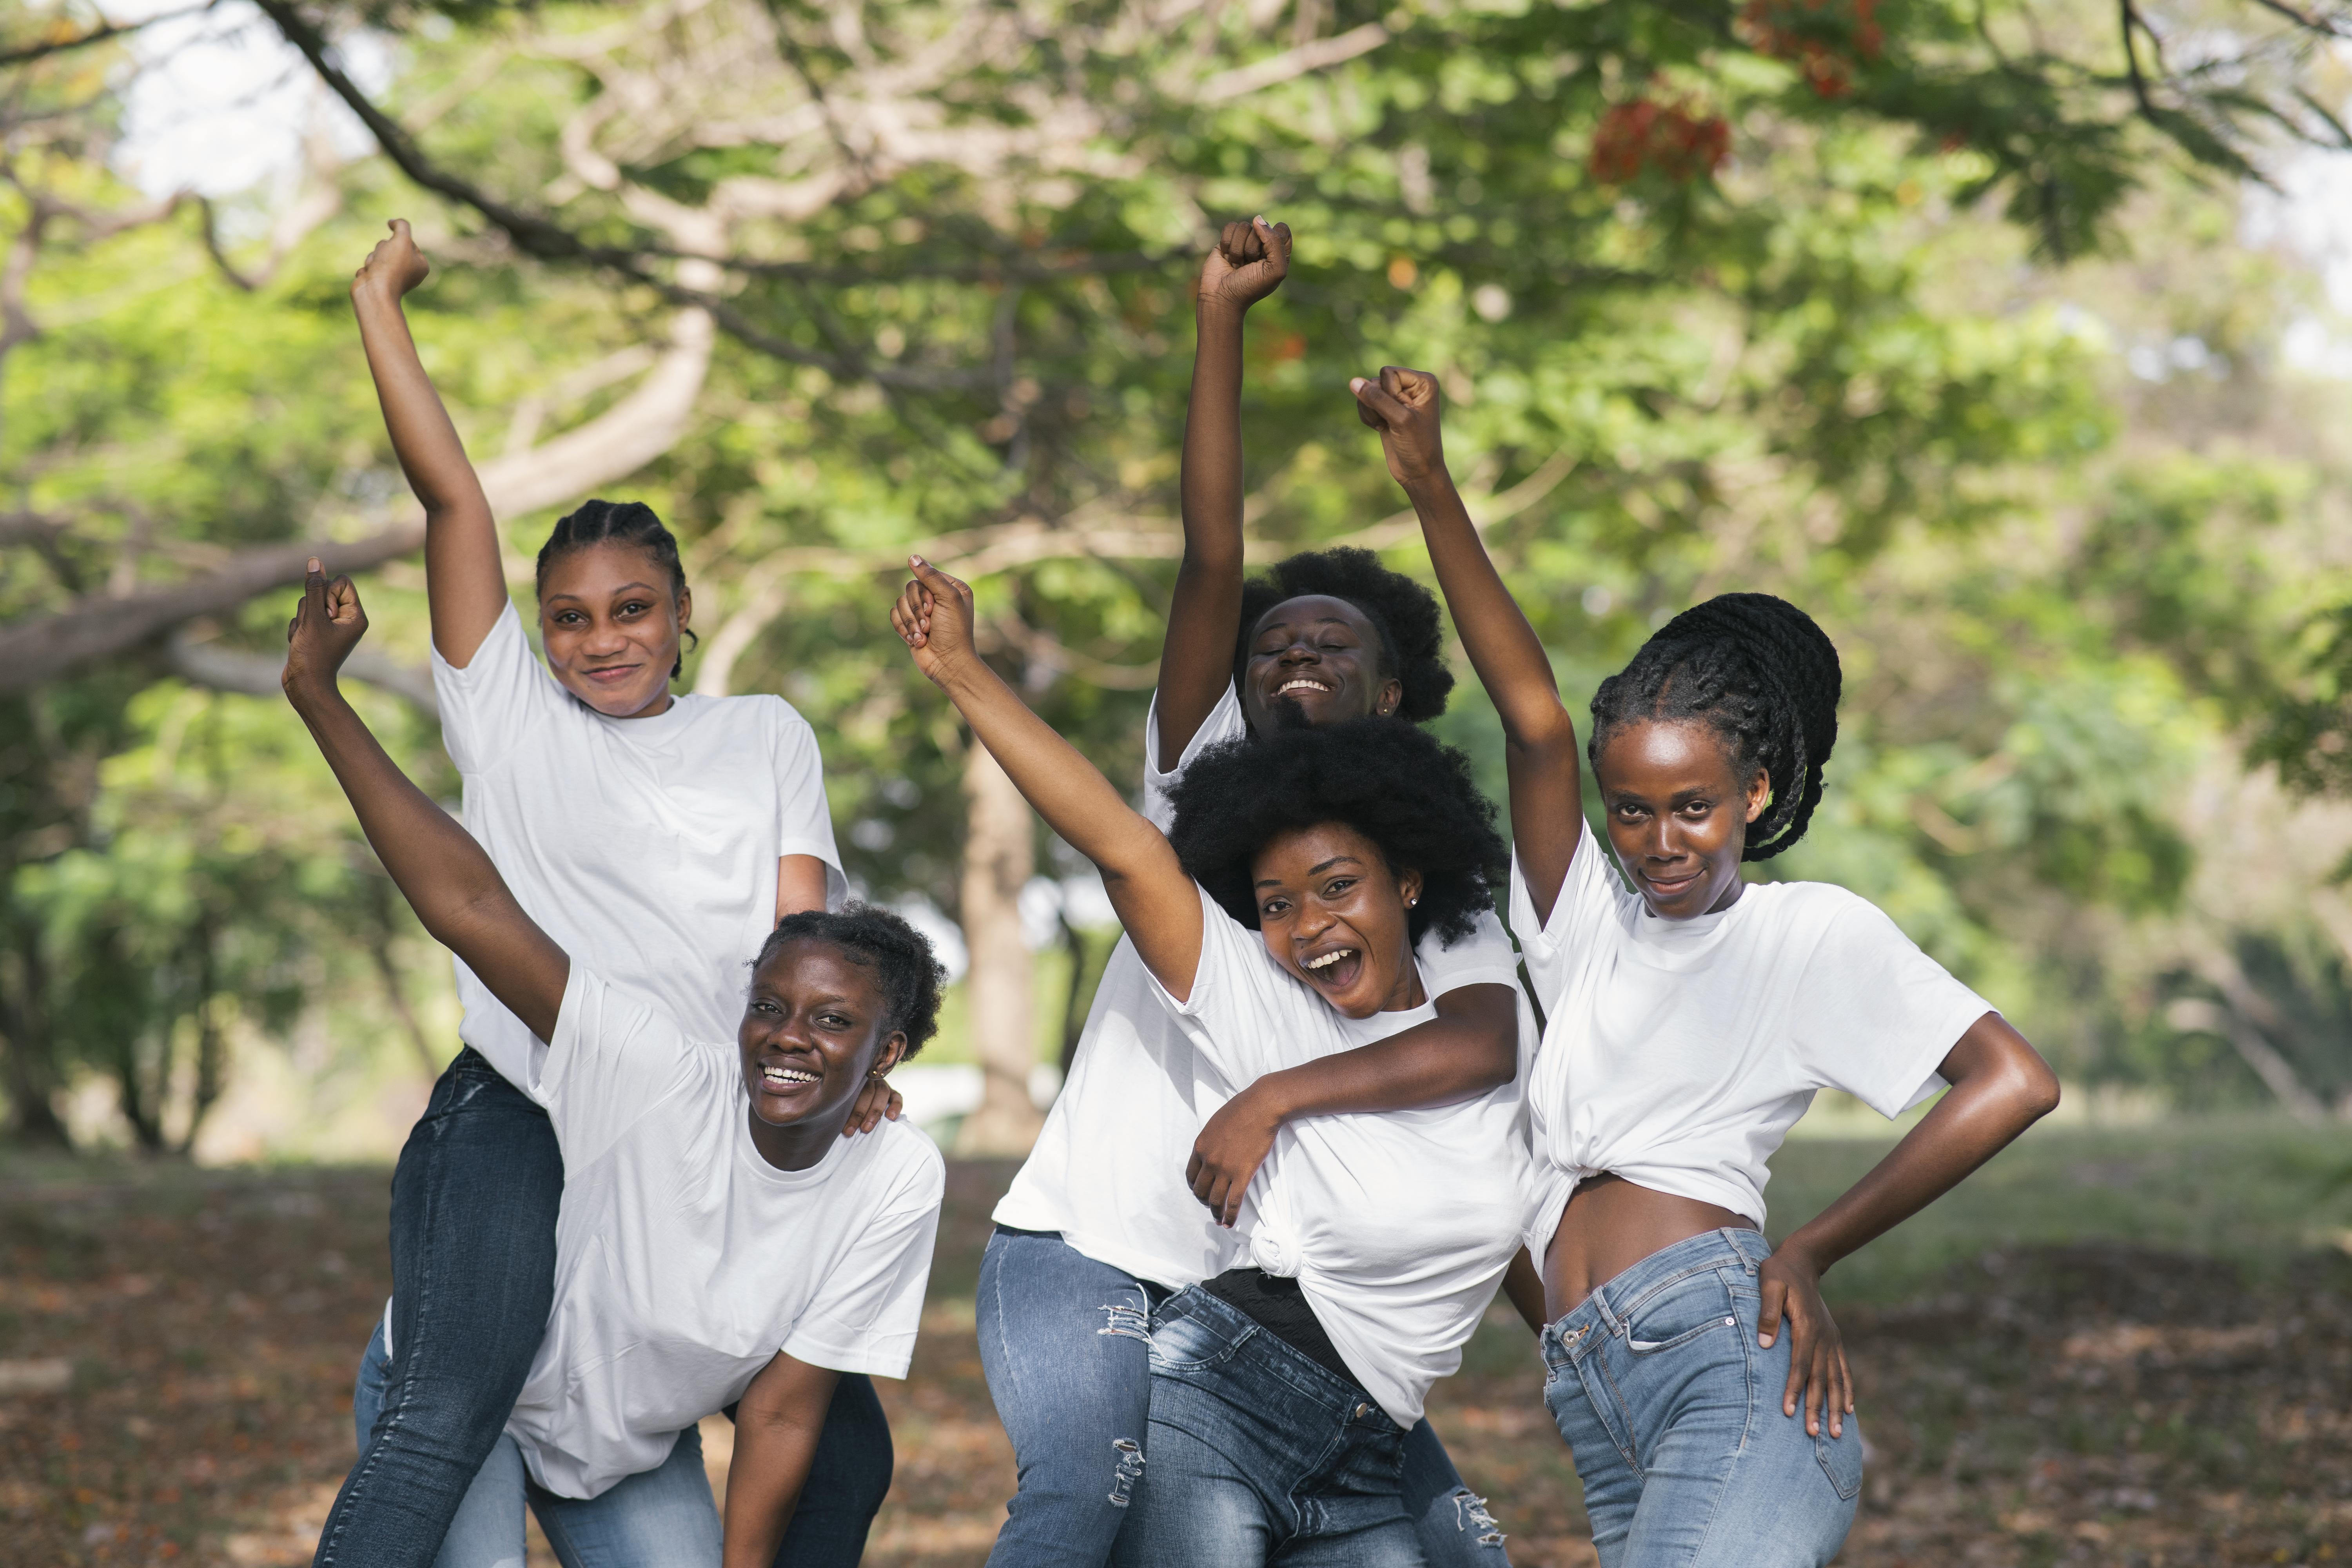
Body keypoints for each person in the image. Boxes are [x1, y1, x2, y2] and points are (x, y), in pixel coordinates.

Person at [1347, 365, 2065, 1568]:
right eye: (1629, 811)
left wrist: (1810, 1249)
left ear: (1756, 793)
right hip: (1598, 1402)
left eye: (1692, 807)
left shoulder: (1805, 933)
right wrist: (1428, 481)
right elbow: (1531, 718)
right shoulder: (1580, 924)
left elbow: (2013, 1081)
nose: (1658, 841)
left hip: (1726, 1367)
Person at [318, 221, 898, 1568]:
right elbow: (455, 498)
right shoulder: (514, 724)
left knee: (838, 1440)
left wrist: (849, 1062)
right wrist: (381, 303)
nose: (601, 642)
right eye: (569, 619)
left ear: (684, 610)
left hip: (698, 1129)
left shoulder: (764, 736)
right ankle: (429, 1363)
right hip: (526, 1106)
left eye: (632, 610)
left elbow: (806, 934)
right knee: (451, 1403)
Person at [973, 218, 1530, 1567]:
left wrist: (1275, 1094)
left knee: (1461, 1541)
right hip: (1103, 1238)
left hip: (1290, 1284)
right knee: (1086, 1494)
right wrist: (1219, 317)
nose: (1289, 661)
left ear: (1392, 691)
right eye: (1271, 650)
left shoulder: (1429, 882)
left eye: (1328, 646)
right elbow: (1211, 559)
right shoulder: (1202, 787)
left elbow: (1483, 1045)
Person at [283, 565, 946, 1568]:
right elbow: (470, 908)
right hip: (497, 1391)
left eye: (833, 1023)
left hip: (615, 1449)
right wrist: (320, 697)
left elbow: (779, 1416)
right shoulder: (662, 1074)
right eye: (768, 1007)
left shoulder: (893, 1170)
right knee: (446, 1431)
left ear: (885, 1050)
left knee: (848, 1456)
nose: (790, 1037)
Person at [895, 556, 1542, 1567]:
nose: (1308, 922)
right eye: (1276, 902)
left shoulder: (1470, 1005)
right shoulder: (1265, 1000)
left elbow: (1511, 1208)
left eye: (1337, 886)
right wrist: (963, 672)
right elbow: (1128, 850)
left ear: (1410, 881)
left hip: (1353, 1428)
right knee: (1080, 1488)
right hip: (1153, 1308)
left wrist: (1601, 1362)